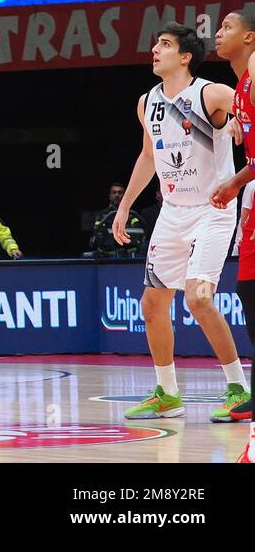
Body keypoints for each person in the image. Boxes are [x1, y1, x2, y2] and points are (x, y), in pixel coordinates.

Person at [110, 23, 248, 426]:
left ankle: (239, 389)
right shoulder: (146, 101)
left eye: (165, 45)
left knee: (199, 297)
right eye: (156, 43)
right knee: (152, 303)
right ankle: (167, 394)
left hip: (213, 208)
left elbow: (248, 104)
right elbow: (148, 157)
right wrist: (124, 208)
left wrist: (244, 120)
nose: (155, 49)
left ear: (185, 57)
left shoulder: (211, 93)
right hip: (172, 212)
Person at [207, 8, 255, 456]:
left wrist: (233, 181)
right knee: (247, 289)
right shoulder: (241, 89)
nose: (218, 33)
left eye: (227, 27)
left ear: (250, 37)